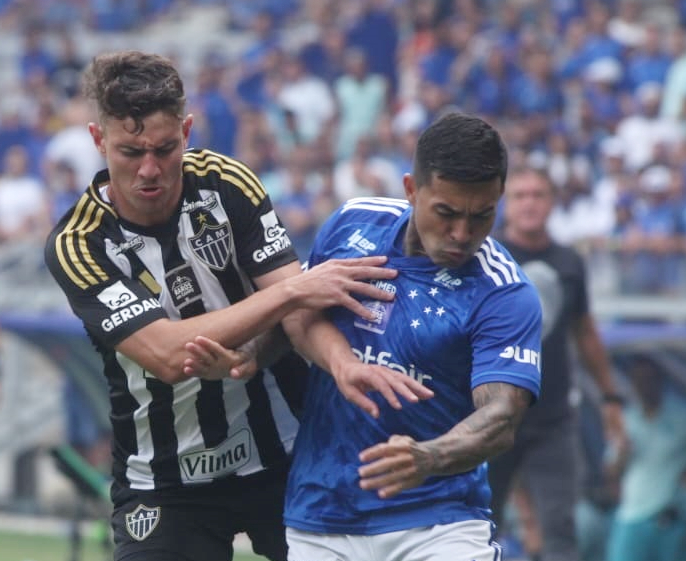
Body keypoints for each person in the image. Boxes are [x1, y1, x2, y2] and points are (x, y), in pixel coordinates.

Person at [43, 51, 431, 561]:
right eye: (130, 152)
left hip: (287, 456)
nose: (150, 169)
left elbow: (299, 316)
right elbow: (164, 351)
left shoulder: (226, 183)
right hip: (165, 476)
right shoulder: (80, 243)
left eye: (164, 148)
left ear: (186, 130)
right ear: (98, 140)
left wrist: (340, 363)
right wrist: (291, 291)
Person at [188, 112, 544, 559]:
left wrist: (428, 458)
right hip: (322, 514)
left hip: (438, 523)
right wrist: (251, 355)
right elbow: (303, 319)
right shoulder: (353, 224)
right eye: (446, 213)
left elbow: (501, 418)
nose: (462, 233)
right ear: (412, 190)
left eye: (482, 216)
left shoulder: (504, 293)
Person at [489, 166, 627, 561]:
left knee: (561, 529)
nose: (530, 203)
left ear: (551, 203)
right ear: (506, 205)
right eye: (521, 195)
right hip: (490, 413)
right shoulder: (487, 257)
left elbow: (585, 333)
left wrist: (611, 397)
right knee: (477, 525)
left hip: (552, 418)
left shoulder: (569, 262)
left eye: (538, 194)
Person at [605, 355, 686, 561]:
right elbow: (610, 471)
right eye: (638, 380)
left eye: (648, 379)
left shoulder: (684, 415)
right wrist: (622, 454)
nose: (644, 386)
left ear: (660, 380)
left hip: (673, 519)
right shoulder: (627, 420)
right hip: (632, 516)